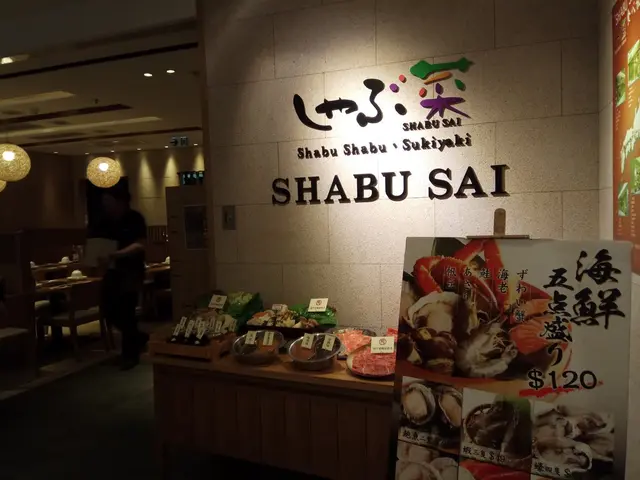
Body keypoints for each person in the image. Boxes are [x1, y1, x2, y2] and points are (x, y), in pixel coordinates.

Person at [94, 189, 149, 370]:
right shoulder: (106, 222)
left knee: (127, 312)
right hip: (112, 272)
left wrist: (116, 254)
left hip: (131, 272)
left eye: (108, 201)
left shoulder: (135, 219)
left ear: (121, 201)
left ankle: (130, 356)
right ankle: (139, 338)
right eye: (104, 202)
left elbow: (140, 244)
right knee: (108, 309)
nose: (106, 206)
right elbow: (100, 245)